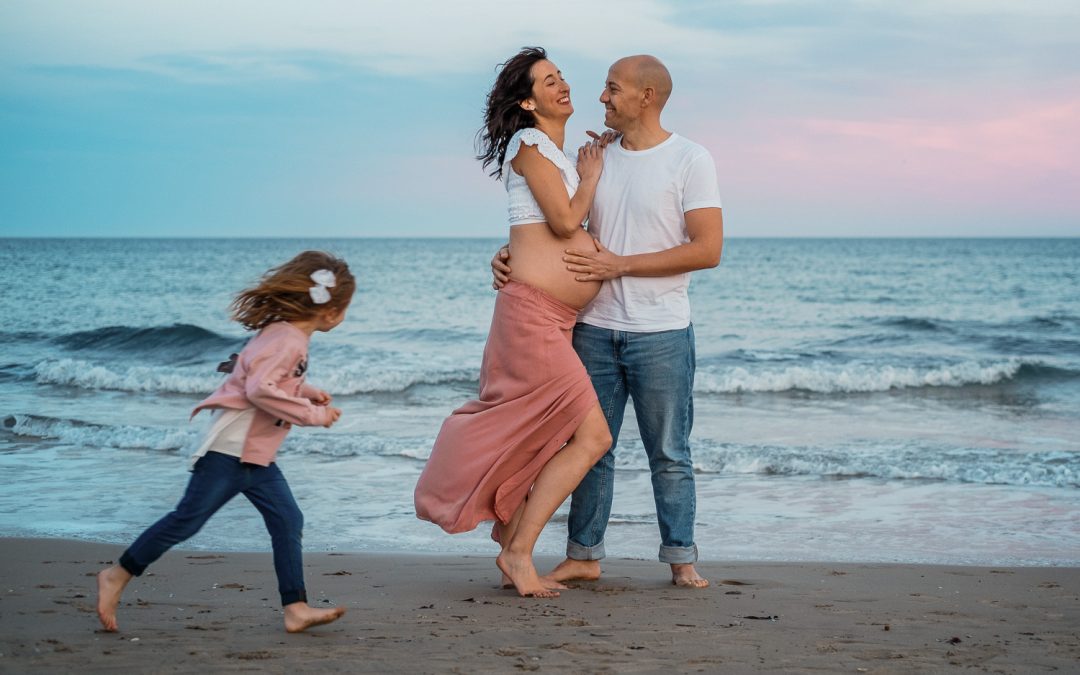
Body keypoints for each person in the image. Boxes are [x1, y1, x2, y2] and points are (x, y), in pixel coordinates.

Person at [492, 55, 724, 589]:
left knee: (668, 450)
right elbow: (552, 224)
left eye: (612, 89)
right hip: (592, 326)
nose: (601, 97)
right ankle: (583, 554)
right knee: (592, 447)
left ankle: (681, 558)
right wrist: (507, 254)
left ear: (647, 96)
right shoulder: (592, 157)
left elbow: (708, 250)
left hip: (662, 330)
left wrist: (620, 265)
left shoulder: (691, 159)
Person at [414, 47, 613, 599]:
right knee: (592, 435)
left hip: (553, 319)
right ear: (527, 101)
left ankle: (515, 549)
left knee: (550, 436)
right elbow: (565, 219)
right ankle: (519, 555)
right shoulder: (530, 145)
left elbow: (539, 234)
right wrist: (592, 176)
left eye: (562, 76)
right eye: (549, 81)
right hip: (532, 318)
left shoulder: (555, 153)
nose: (562, 85)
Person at [96, 251, 355, 632]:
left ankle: (295, 607)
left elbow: (262, 374)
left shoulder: (284, 333)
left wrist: (307, 391)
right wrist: (314, 414)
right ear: (331, 310)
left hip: (256, 455)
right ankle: (118, 574)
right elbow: (258, 389)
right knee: (187, 520)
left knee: (287, 520)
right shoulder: (289, 339)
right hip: (231, 450)